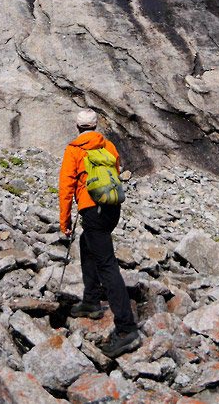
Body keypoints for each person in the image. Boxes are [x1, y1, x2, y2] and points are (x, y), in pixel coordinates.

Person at [58, 108, 139, 358]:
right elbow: (115, 171)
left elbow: (66, 186)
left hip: (91, 209)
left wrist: (65, 221)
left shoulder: (75, 149)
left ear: (77, 127)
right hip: (112, 208)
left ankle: (127, 329)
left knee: (107, 264)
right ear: (96, 125)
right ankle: (91, 300)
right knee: (87, 243)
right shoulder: (108, 145)